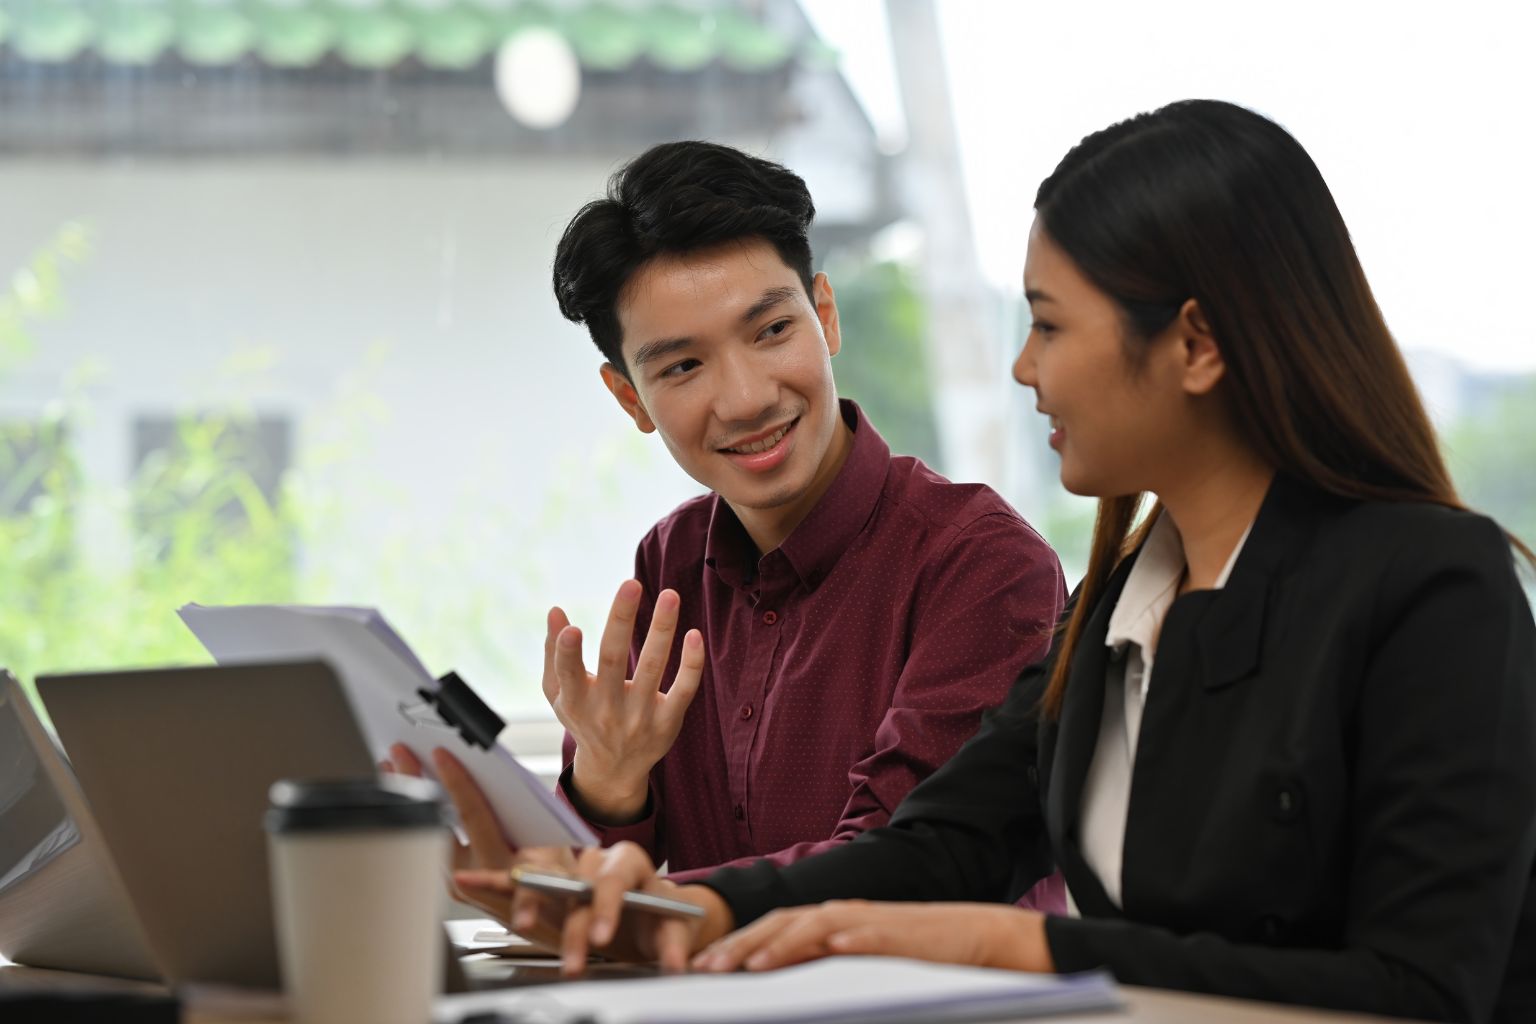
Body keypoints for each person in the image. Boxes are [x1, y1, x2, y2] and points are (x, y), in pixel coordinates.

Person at [455, 101, 1536, 1024]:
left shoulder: (1435, 587)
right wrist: (695, 905)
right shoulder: (1119, 601)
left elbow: (1422, 988)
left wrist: (1028, 948)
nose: (1022, 369)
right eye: (684, 364)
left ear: (1196, 344)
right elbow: (937, 849)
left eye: (1049, 327)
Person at [397, 141, 1065, 900]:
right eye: (683, 366)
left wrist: (669, 904)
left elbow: (900, 867)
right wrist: (608, 784)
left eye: (772, 331)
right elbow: (608, 894)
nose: (747, 399)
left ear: (825, 316)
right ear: (630, 398)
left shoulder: (983, 565)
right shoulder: (671, 563)